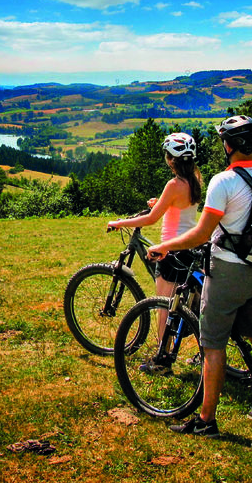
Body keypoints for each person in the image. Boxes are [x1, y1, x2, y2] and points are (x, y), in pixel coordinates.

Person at [146, 115, 252, 438]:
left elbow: (200, 234)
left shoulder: (223, 181)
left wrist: (165, 245)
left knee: (212, 345)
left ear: (228, 144)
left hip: (228, 272)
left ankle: (206, 420)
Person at [108, 132, 203, 367]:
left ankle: (161, 360)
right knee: (181, 305)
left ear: (171, 159)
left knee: (164, 308)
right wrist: (160, 201)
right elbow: (179, 205)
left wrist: (119, 222)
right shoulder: (195, 179)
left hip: (171, 252)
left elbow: (151, 219)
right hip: (189, 247)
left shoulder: (174, 184)